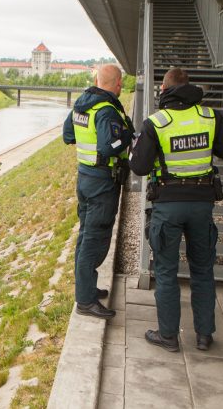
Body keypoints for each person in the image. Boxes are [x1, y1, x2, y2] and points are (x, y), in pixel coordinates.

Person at [129, 68, 223, 352]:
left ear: (164, 90)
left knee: (166, 271)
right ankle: (204, 334)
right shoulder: (210, 117)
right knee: (203, 270)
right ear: (188, 87)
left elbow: (139, 167)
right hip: (201, 205)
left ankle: (168, 336)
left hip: (168, 205)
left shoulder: (156, 122)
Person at [63, 64, 134, 319]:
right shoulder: (107, 110)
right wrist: (127, 134)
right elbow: (109, 146)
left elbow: (68, 136)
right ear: (117, 84)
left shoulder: (82, 104)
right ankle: (85, 302)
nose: (121, 87)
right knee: (94, 239)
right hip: (102, 182)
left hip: (85, 177)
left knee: (86, 236)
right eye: (121, 84)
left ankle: (87, 290)